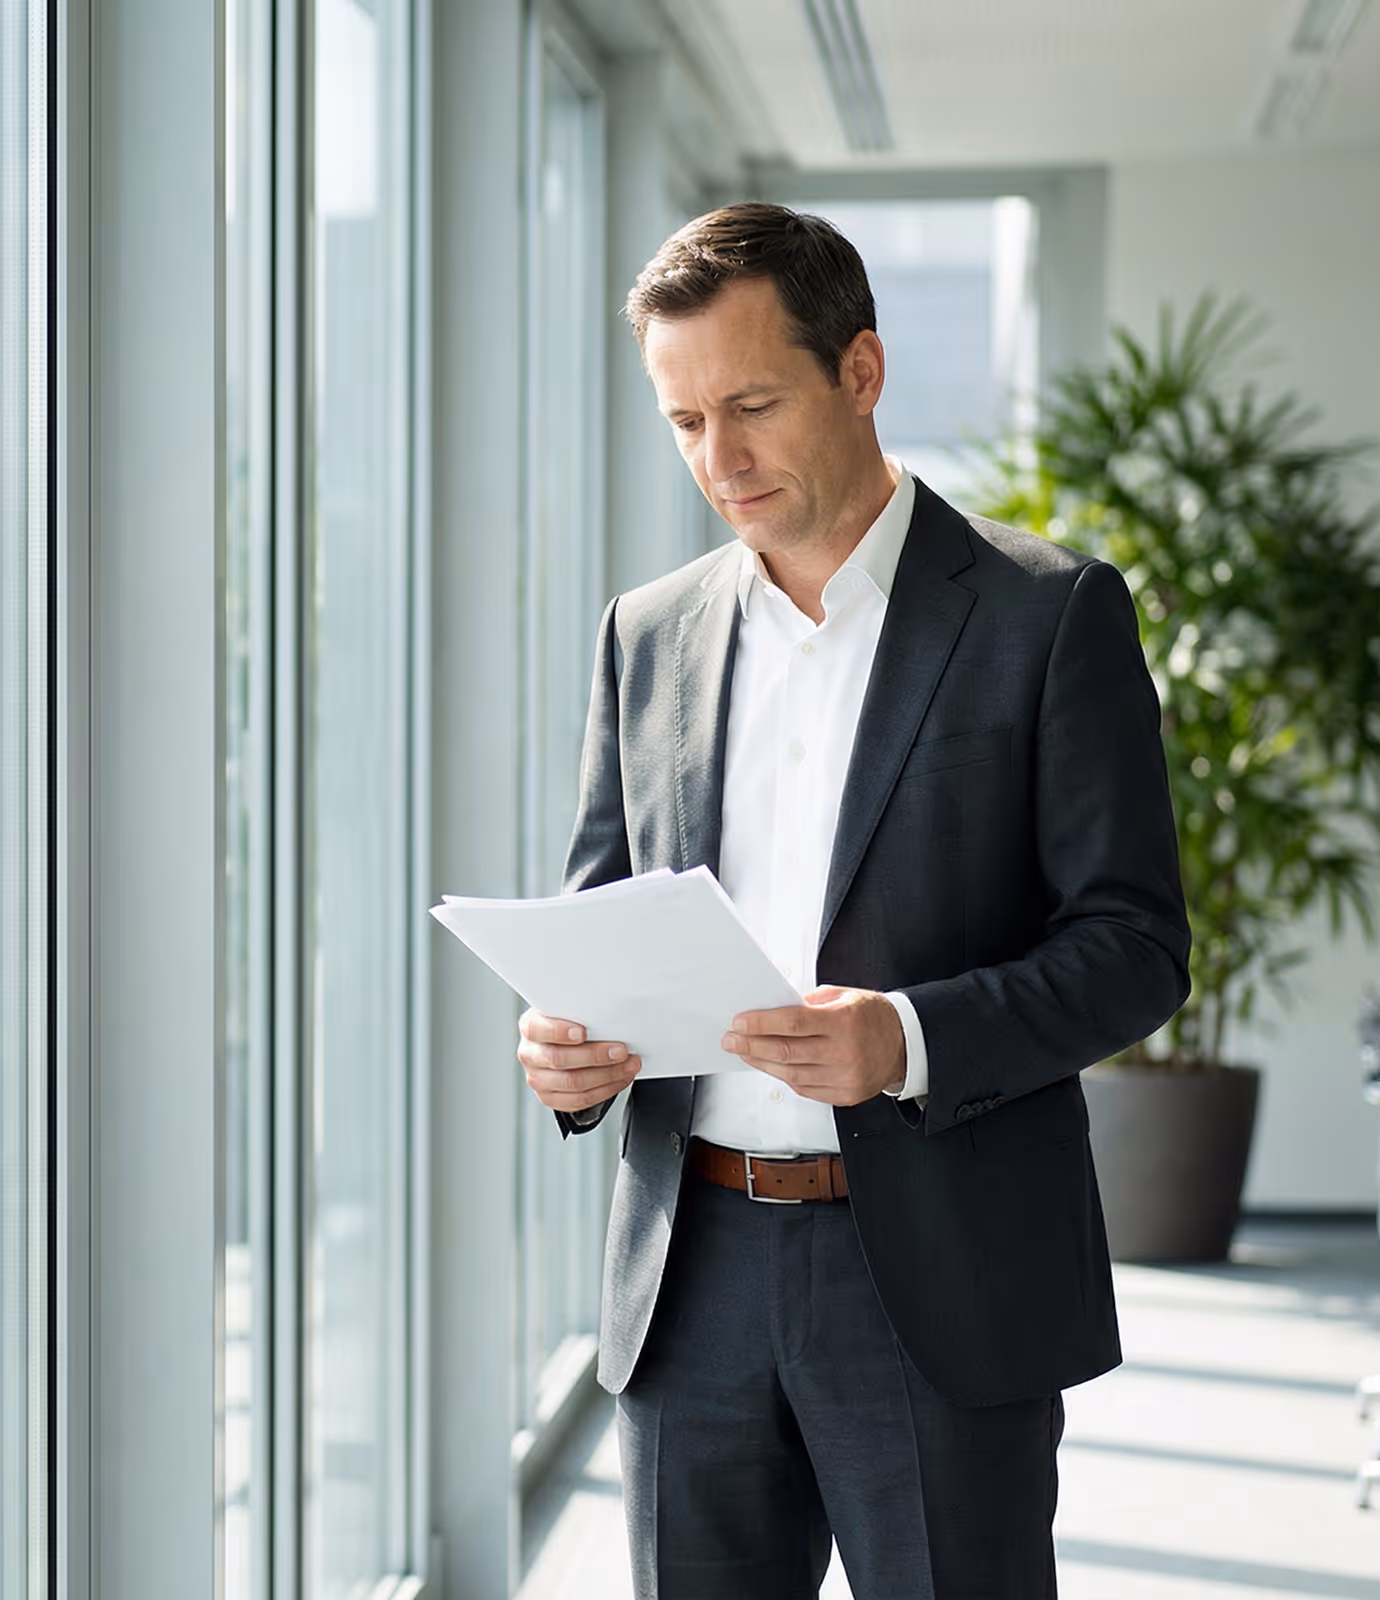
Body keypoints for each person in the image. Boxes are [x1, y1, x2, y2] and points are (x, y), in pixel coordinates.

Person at [516, 204, 1190, 1598]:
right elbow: (599, 915)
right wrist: (563, 1051)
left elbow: (1135, 949)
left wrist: (907, 1038)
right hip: (689, 1276)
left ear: (862, 372)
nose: (721, 458)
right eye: (686, 420)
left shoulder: (1045, 614)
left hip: (939, 1283)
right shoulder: (646, 633)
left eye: (752, 405)